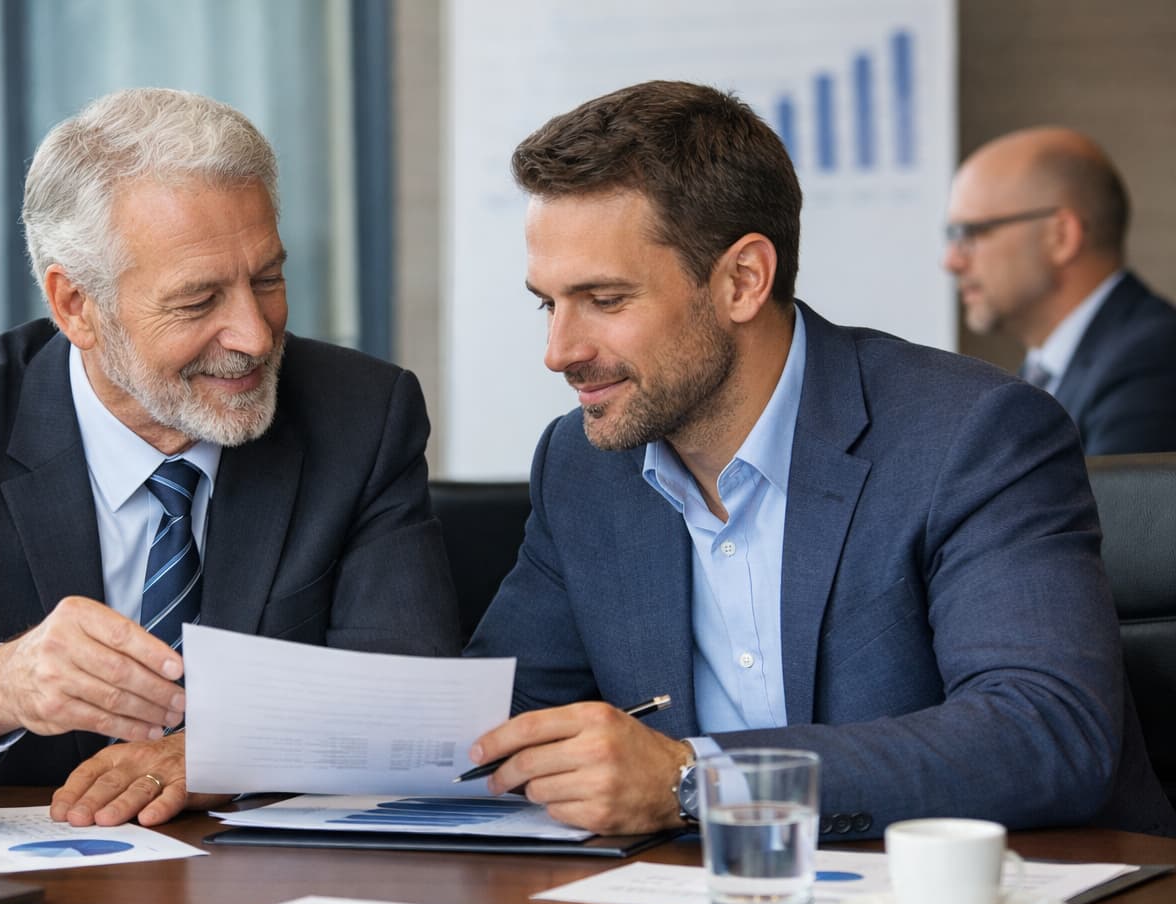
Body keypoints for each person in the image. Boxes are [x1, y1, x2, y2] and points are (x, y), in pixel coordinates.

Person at [462, 81, 1175, 840]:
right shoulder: (584, 464)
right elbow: (502, 721)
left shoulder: (971, 433)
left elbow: (1046, 733)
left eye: (605, 300)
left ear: (742, 280)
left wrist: (690, 780)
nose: (558, 352)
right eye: (548, 302)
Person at [0, 88, 459, 826]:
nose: (252, 334)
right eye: (197, 301)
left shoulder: (360, 414)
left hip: (271, 890)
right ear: (75, 306)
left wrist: (222, 751)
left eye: (268, 279)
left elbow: (413, 693)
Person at [944, 127, 1176, 455]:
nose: (951, 261)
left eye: (971, 232)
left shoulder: (1151, 362)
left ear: (1061, 237)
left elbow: (1122, 507)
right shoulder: (1045, 371)